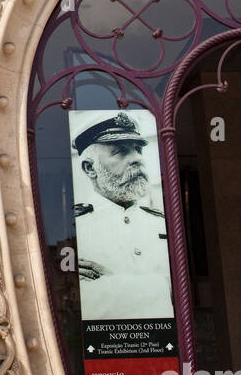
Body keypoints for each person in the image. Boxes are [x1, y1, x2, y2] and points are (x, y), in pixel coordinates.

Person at [71, 112, 173, 319]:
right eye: (120, 152)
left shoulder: (163, 223)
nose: (137, 159)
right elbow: (79, 304)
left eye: (137, 149)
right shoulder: (74, 229)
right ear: (90, 168)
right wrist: (160, 287)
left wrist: (114, 285)